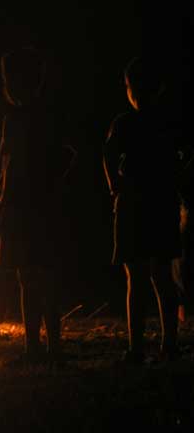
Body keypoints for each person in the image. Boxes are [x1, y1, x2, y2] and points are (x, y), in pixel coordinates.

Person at [0, 47, 75, 365]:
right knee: (33, 277)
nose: (10, 89)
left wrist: (44, 184)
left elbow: (64, 155)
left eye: (13, 82)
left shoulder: (32, 119)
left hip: (32, 208)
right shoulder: (18, 118)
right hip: (24, 207)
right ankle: (38, 346)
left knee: (38, 278)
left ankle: (46, 346)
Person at [103, 56, 183, 364]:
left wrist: (115, 185)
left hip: (136, 206)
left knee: (136, 278)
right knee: (160, 276)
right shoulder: (166, 123)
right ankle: (168, 344)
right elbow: (180, 158)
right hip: (160, 204)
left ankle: (137, 348)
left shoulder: (125, 123)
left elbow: (108, 153)